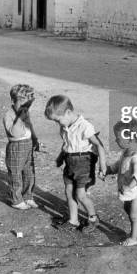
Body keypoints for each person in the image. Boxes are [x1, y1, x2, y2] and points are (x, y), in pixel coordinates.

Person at [44, 95, 107, 233]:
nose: (57, 123)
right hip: (70, 162)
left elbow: (99, 145)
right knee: (68, 191)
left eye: (57, 120)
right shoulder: (65, 127)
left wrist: (103, 167)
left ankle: (93, 218)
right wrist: (60, 157)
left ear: (67, 113)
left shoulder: (85, 126)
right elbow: (66, 145)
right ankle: (73, 220)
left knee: (80, 195)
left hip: (84, 163)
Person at [107, 119, 137, 246]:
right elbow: (119, 166)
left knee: (134, 216)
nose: (116, 140)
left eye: (118, 138)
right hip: (129, 191)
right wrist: (109, 170)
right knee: (127, 208)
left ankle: (133, 239)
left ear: (129, 139)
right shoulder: (125, 153)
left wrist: (127, 186)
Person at [3, 84, 40, 210]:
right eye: (22, 103)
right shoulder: (9, 115)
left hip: (27, 144)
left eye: (27, 103)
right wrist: (19, 117)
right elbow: (15, 132)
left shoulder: (25, 112)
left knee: (29, 172)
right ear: (13, 101)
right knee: (16, 174)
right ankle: (16, 199)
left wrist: (34, 138)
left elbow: (29, 125)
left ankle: (28, 195)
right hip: (16, 146)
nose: (24, 107)